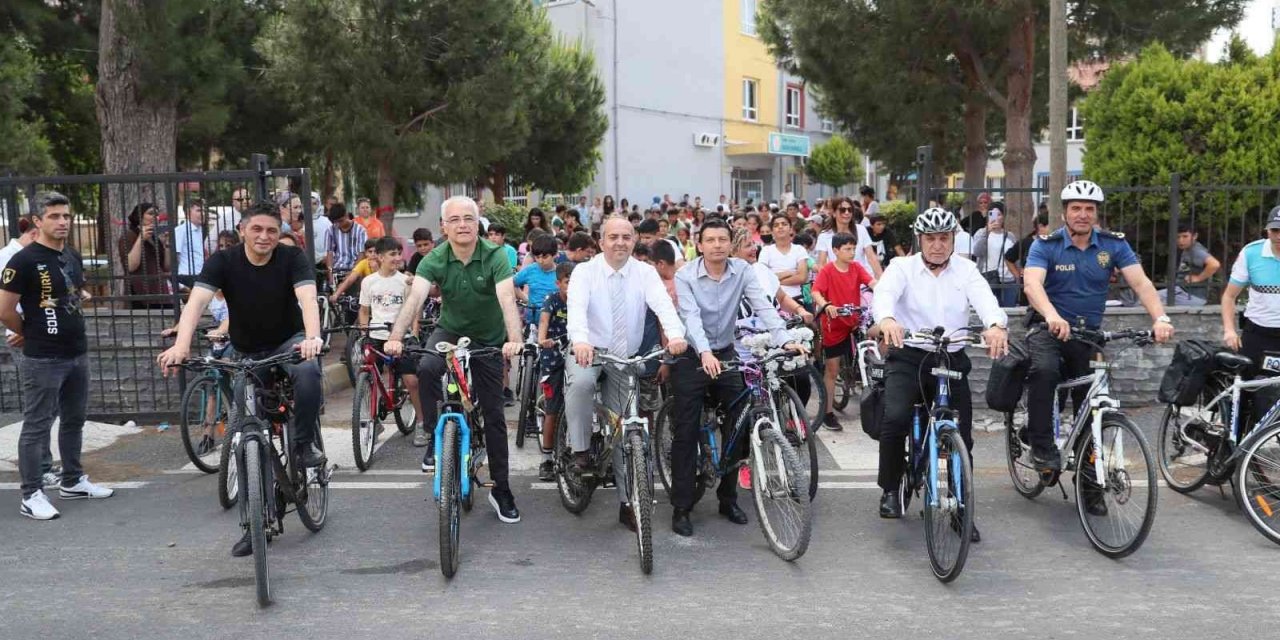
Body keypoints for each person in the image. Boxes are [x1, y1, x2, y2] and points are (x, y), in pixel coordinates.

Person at [157, 200, 326, 554]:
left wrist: (312, 337)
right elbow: (196, 305)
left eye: (271, 230)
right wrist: (181, 347)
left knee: (309, 373)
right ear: (242, 232)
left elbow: (308, 298)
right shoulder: (223, 261)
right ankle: (254, 524)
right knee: (245, 434)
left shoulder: (292, 258)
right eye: (256, 229)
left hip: (290, 342)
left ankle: (303, 443)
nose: (264, 236)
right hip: (247, 353)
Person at [1022, 181, 1174, 492]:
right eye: (1076, 208)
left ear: (1096, 214)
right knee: (1045, 371)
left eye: (1089, 209)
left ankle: (1090, 486)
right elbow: (1032, 285)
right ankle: (1041, 446)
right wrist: (1052, 315)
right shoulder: (1045, 245)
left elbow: (1142, 284)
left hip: (1089, 335)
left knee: (1091, 403)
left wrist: (1160, 317)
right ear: (1064, 212)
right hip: (1048, 330)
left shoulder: (1113, 245)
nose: (1082, 214)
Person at [384, 195, 525, 524]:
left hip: (489, 338)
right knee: (428, 366)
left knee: (493, 415)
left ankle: (501, 489)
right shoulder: (434, 257)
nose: (463, 225)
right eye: (455, 219)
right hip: (450, 331)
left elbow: (506, 299)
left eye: (469, 219)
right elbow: (416, 297)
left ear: (478, 224)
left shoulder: (494, 256)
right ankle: (436, 438)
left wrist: (514, 340)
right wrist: (395, 337)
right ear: (443, 227)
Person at [871, 207, 1009, 542]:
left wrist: (995, 325)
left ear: (952, 239)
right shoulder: (901, 267)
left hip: (951, 357)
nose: (937, 245)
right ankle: (890, 488)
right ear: (920, 240)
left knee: (963, 434)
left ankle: (962, 509)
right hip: (910, 356)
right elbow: (884, 295)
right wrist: (888, 319)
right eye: (930, 238)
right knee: (896, 417)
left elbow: (987, 301)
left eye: (943, 238)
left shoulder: (966, 269)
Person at [669, 218, 800, 537]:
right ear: (699, 245)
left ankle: (727, 498)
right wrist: (703, 353)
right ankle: (682, 506)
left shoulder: (742, 271)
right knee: (685, 431)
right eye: (710, 240)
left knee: (740, 421)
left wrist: (783, 338)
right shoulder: (685, 275)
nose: (717, 245)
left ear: (730, 243)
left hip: (726, 352)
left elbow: (764, 307)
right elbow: (691, 317)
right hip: (691, 355)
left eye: (722, 239)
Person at [564, 217, 687, 531]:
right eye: (613, 237)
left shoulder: (644, 273)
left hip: (624, 357)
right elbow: (576, 309)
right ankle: (579, 451)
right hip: (590, 350)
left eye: (626, 237)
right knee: (580, 384)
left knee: (624, 431)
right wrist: (579, 340)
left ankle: (628, 502)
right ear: (601, 241)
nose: (620, 242)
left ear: (634, 241)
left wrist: (674, 335)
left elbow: (663, 306)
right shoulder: (584, 271)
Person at [0, 193, 114, 520]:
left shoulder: (73, 256)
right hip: (43, 358)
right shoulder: (22, 261)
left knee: (74, 419)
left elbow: (74, 295)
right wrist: (32, 329)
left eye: (66, 215)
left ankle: (73, 480)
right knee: (36, 425)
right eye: (54, 216)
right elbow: (5, 311)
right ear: (37, 222)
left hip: (77, 352)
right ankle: (31, 493)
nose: (62, 221)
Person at [358, 237, 426, 443]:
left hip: (402, 336)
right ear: (379, 257)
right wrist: (364, 333)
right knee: (367, 377)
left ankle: (422, 424)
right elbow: (364, 311)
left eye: (399, 253)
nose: (397, 258)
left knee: (411, 381)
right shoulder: (368, 282)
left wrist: (414, 330)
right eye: (392, 254)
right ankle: (372, 419)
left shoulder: (405, 280)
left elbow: (414, 309)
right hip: (376, 335)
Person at [1221, 206, 1280, 426]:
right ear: (1267, 230)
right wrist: (1229, 330)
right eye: (1275, 230)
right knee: (1247, 395)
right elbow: (1229, 296)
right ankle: (1239, 449)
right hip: (1257, 335)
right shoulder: (1252, 253)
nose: (1279, 236)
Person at [811, 232, 877, 431]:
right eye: (847, 249)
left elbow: (871, 282)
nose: (851, 252)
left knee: (877, 335)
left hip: (854, 320)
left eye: (853, 248)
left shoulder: (857, 267)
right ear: (835, 251)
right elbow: (815, 292)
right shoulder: (828, 270)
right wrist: (826, 305)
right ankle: (827, 412)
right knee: (832, 369)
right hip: (834, 324)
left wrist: (882, 290)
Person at [536, 262, 574, 481]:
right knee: (553, 408)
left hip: (578, 355)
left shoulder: (584, 299)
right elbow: (543, 320)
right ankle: (547, 458)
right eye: (567, 282)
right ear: (558, 283)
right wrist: (543, 340)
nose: (571, 286)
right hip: (554, 357)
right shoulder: (552, 300)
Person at [118, 202, 171, 307]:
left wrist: (167, 245)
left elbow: (166, 267)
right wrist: (140, 239)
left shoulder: (155, 239)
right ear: (139, 217)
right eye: (151, 214)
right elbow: (131, 266)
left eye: (156, 214)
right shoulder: (129, 236)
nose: (155, 217)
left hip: (160, 292)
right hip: (140, 293)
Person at [816, 196, 882, 279]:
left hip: (862, 283)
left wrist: (880, 280)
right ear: (833, 213)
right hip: (838, 283)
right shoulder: (824, 236)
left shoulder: (861, 230)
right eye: (842, 210)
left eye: (850, 210)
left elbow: (871, 257)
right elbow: (822, 264)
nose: (847, 213)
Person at [1159, 224, 1220, 306]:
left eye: (1185, 236)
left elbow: (1214, 264)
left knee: (1147, 299)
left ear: (1195, 236)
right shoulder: (1189, 249)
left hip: (1190, 295)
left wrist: (1198, 278)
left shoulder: (1196, 251)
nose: (1181, 240)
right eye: (1178, 237)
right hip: (1183, 293)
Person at [971, 202, 1018, 307]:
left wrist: (1017, 276)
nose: (996, 218)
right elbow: (977, 252)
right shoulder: (981, 233)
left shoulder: (1010, 236)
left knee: (1008, 312)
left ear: (1004, 217)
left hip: (1008, 281)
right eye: (992, 214)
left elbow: (1014, 257)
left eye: (999, 214)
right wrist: (987, 232)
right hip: (988, 279)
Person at [757, 215, 809, 302]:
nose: (780, 227)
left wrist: (775, 281)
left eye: (784, 224)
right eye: (776, 225)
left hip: (797, 298)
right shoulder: (766, 251)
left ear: (791, 229)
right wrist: (789, 273)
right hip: (774, 300)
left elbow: (802, 277)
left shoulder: (799, 250)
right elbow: (763, 278)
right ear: (772, 231)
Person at [514, 234, 560, 326]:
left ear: (555, 255)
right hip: (533, 322)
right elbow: (512, 283)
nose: (541, 261)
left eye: (545, 257)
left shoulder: (561, 273)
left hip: (555, 322)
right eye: (537, 257)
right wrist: (525, 298)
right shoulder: (531, 270)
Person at [173, 199, 208, 290]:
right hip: (186, 277)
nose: (203, 213)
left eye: (204, 210)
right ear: (188, 213)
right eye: (199, 210)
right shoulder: (181, 230)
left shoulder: (200, 230)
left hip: (199, 276)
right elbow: (175, 256)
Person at [327, 202, 368, 277]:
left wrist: (352, 274)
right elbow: (329, 253)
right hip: (337, 270)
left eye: (340, 221)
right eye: (335, 222)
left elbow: (362, 254)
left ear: (346, 215)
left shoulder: (360, 230)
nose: (338, 224)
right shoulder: (331, 230)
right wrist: (330, 274)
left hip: (356, 269)